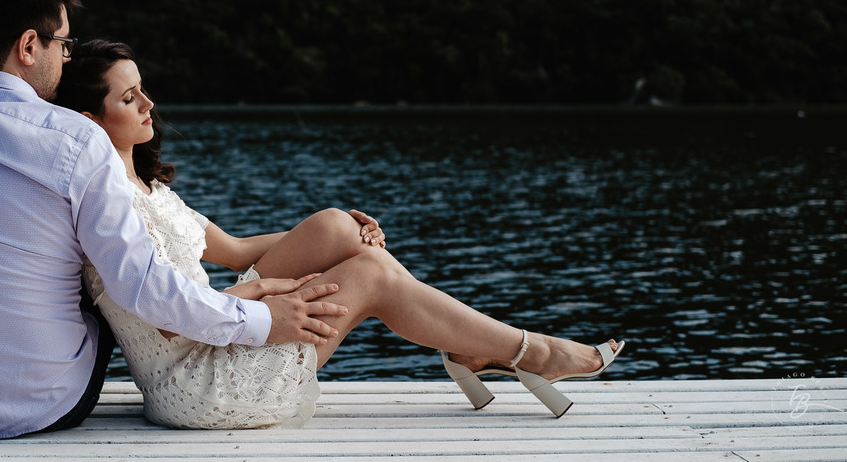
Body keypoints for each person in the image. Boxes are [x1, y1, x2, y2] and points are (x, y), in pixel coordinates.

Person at [0, 0, 347, 443]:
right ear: (29, 46)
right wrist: (261, 321)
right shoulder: (76, 139)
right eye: (63, 43)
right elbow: (142, 285)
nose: (67, 56)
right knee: (87, 266)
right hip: (45, 402)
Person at [51, 39, 626, 428]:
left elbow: (235, 252)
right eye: (129, 99)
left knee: (334, 224)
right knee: (371, 274)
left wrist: (344, 230)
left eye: (143, 89)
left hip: (222, 329)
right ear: (88, 119)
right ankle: (530, 352)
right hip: (200, 379)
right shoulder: (109, 206)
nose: (149, 104)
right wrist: (260, 294)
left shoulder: (146, 185)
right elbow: (165, 318)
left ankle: (475, 348)